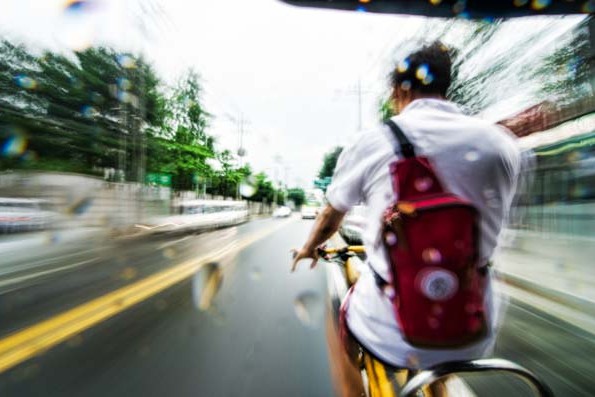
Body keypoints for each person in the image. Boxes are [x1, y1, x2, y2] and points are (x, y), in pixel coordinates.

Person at [291, 42, 521, 395]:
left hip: (391, 331)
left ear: (400, 90)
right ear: (445, 85)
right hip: (472, 329)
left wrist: (309, 248)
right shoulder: (502, 144)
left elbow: (330, 216)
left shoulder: (373, 142)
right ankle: (440, 385)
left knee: (336, 306)